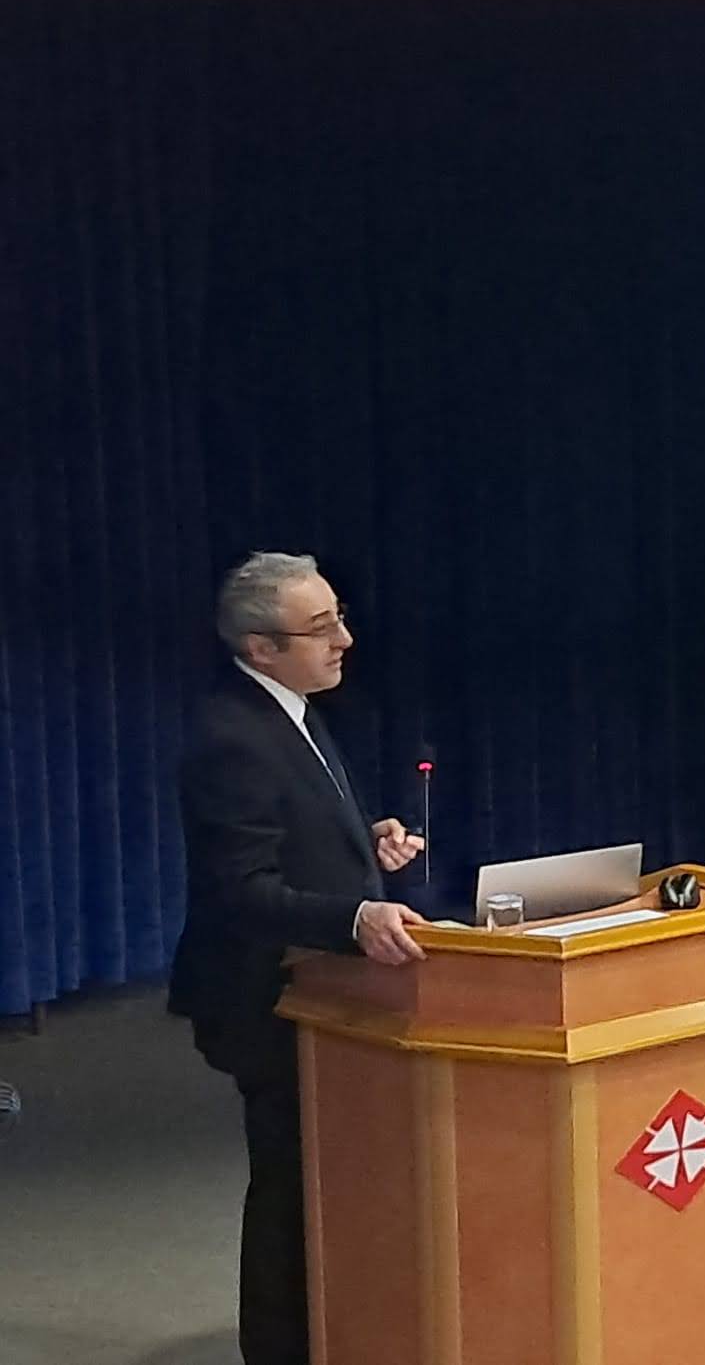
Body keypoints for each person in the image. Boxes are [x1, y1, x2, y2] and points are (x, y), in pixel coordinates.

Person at [169, 552, 428, 1365]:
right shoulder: (230, 737)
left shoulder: (296, 711)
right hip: (267, 999)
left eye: (338, 616)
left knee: (319, 1183)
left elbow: (293, 839)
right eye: (320, 628)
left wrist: (363, 847)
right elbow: (241, 890)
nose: (344, 639)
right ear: (260, 647)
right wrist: (355, 915)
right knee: (289, 1189)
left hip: (321, 989)